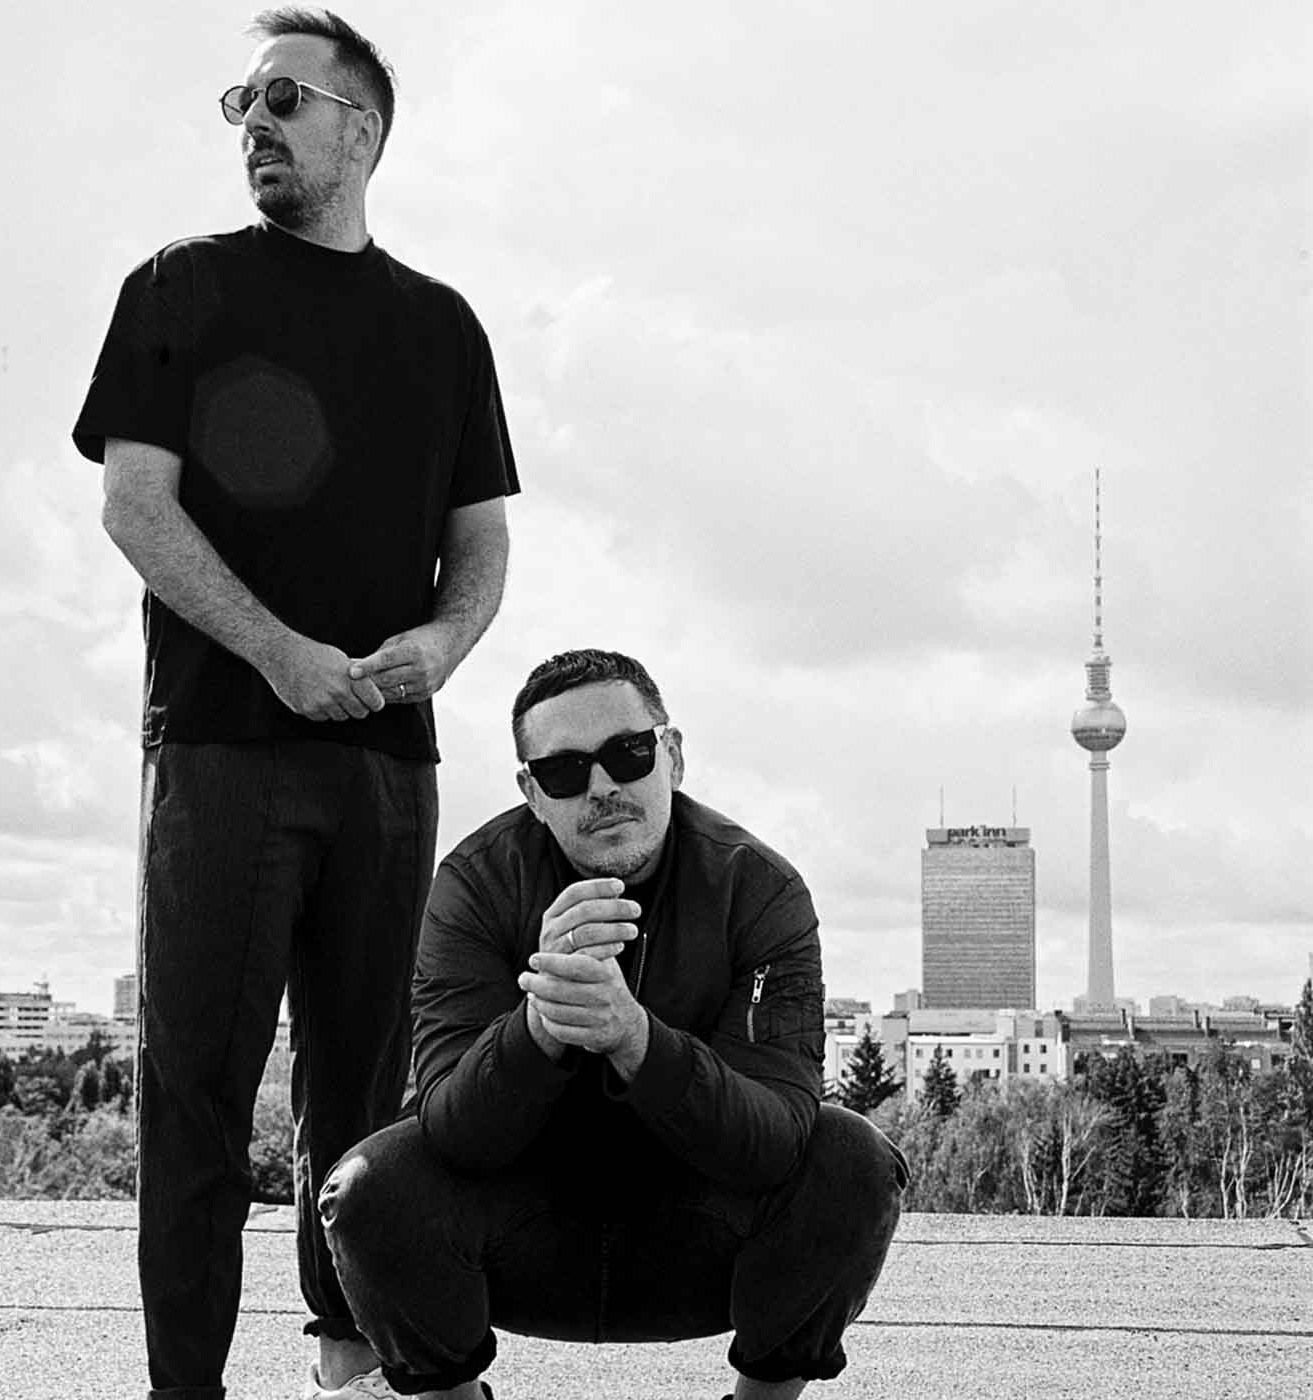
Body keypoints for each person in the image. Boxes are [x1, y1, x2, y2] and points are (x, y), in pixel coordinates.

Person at [71, 9, 518, 1397]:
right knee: (196, 1094)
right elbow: (135, 507)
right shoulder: (178, 286)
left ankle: (349, 1365)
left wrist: (441, 644)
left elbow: (482, 545)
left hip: (387, 762)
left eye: (282, 99)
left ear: (360, 129)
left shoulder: (443, 327)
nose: (252, 123)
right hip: (220, 751)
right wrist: (276, 652)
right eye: (241, 103)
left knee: (367, 1096)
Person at [317, 650, 910, 1400]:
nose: (602, 787)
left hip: (700, 1234)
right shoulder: (475, 884)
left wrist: (637, 1040)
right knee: (371, 1184)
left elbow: (775, 1142)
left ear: (673, 756)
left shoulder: (759, 888)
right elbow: (452, 1134)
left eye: (628, 754)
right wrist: (540, 1025)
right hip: (521, 1238)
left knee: (853, 1160)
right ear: (533, 794)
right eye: (565, 771)